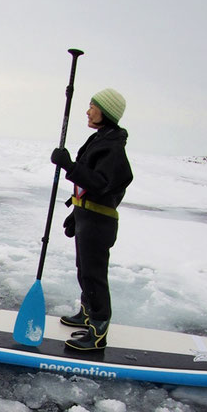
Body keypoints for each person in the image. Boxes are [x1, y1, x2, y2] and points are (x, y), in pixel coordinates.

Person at [50, 88, 133, 351]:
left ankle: (98, 330)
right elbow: (87, 185)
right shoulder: (99, 139)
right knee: (83, 270)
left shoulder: (113, 148)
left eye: (92, 106)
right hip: (88, 217)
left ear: (105, 112)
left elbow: (100, 185)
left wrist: (69, 166)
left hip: (100, 222)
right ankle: (87, 314)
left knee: (94, 274)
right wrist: (76, 213)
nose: (87, 111)